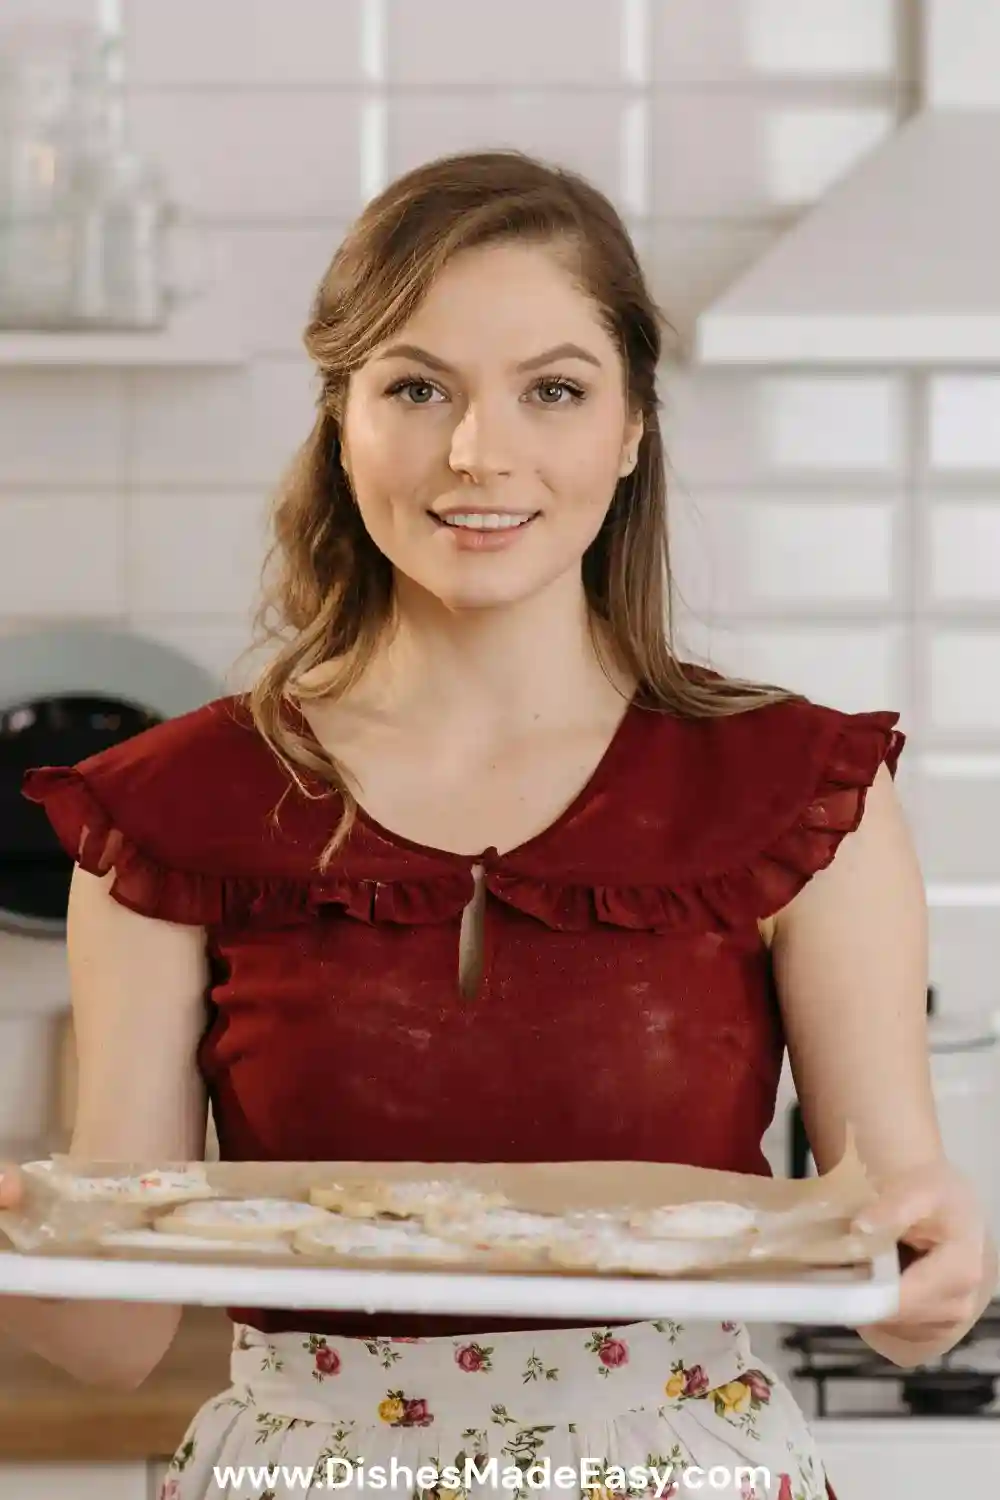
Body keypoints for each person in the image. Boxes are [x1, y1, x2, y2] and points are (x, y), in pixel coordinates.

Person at [0, 149, 993, 1500]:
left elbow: (896, 1252)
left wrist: (932, 1275)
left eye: (555, 390)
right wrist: (27, 1229)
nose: (480, 452)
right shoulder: (170, 813)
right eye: (417, 388)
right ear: (340, 417)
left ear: (633, 426)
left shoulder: (802, 793)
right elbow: (110, 1335)